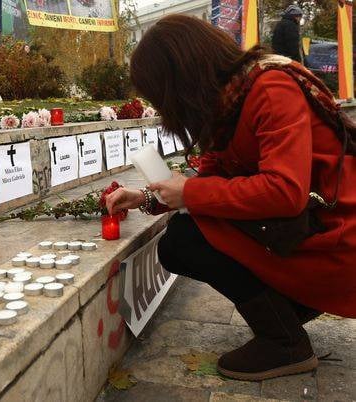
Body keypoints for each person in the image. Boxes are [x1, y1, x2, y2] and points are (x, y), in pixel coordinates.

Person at [106, 15, 355, 381]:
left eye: (161, 96)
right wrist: (147, 197)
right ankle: (286, 310)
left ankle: (284, 342)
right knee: (183, 237)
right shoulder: (231, 103)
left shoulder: (271, 88)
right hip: (302, 230)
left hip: (337, 243)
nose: (164, 110)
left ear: (182, 79)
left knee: (185, 239)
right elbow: (211, 178)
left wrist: (189, 192)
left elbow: (285, 191)